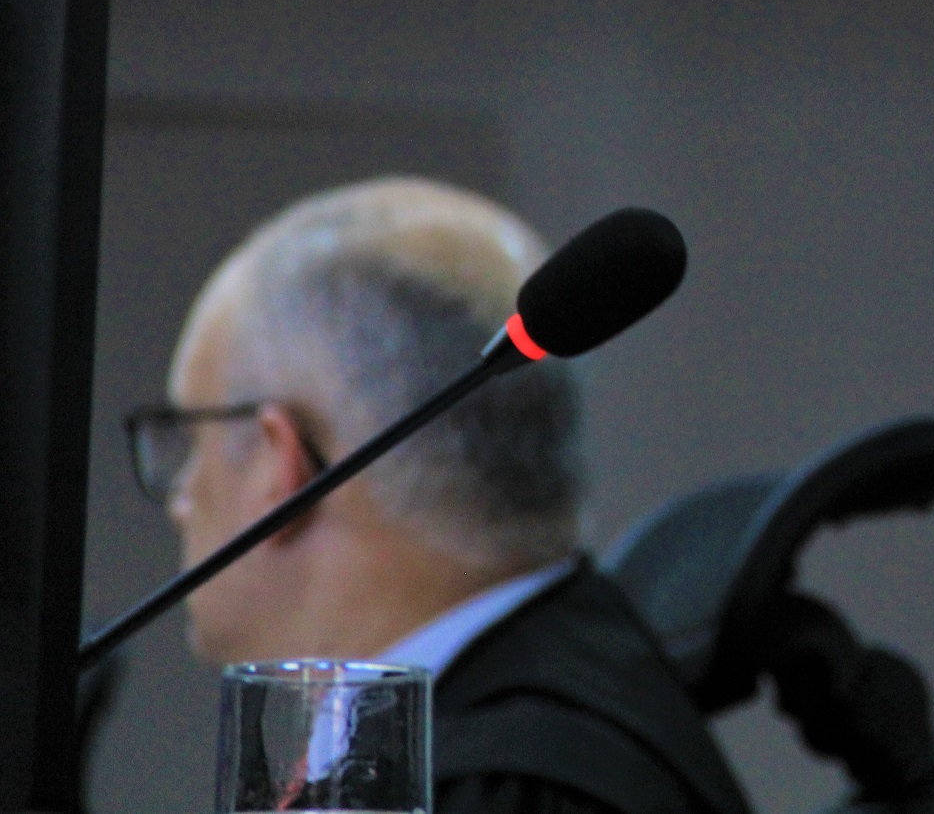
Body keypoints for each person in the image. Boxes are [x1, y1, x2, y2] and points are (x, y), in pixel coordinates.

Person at [135, 177, 749, 814]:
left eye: (188, 441)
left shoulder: (504, 792)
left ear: (278, 464)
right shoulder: (590, 702)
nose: (180, 499)